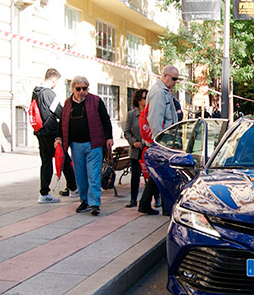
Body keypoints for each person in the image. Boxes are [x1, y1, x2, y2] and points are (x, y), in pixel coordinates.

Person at [54, 76, 113, 216]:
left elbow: (105, 119)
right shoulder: (68, 103)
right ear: (72, 89)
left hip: (94, 144)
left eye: (84, 88)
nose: (81, 91)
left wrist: (109, 137)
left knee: (93, 175)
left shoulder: (96, 101)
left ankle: (94, 204)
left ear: (88, 88)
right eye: (78, 89)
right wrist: (58, 138)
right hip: (76, 146)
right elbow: (62, 122)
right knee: (80, 175)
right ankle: (84, 201)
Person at [138, 65, 180, 215]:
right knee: (162, 174)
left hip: (165, 140)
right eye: (174, 78)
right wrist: (159, 142)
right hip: (162, 141)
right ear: (165, 76)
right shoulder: (158, 92)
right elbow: (155, 118)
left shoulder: (164, 91)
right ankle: (163, 207)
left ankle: (145, 203)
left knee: (158, 174)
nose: (175, 82)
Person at [33, 68, 78, 203]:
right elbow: (60, 112)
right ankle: (73, 188)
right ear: (53, 79)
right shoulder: (48, 93)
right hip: (52, 133)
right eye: (56, 82)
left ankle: (44, 193)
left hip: (40, 132)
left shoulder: (36, 92)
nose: (55, 84)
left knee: (46, 162)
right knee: (63, 158)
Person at [123, 89, 160, 208]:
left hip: (148, 150)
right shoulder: (131, 114)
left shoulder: (151, 113)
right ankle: (133, 199)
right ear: (139, 100)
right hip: (136, 151)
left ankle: (156, 199)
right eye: (144, 98)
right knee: (135, 175)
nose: (147, 100)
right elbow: (127, 132)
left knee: (151, 176)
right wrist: (134, 142)